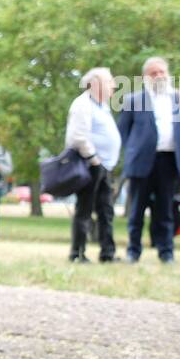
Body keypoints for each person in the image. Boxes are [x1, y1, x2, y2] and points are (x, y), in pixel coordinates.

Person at [117, 56, 180, 264]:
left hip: (169, 162)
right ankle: (133, 251)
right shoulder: (133, 100)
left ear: (168, 74)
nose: (159, 76)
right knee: (137, 211)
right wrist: (132, 153)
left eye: (162, 72)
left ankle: (166, 253)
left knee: (166, 211)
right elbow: (122, 133)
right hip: (141, 162)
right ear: (145, 77)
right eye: (153, 73)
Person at [65, 67, 121, 262]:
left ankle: (107, 253)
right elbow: (77, 136)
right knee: (84, 210)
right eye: (110, 82)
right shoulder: (83, 104)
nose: (114, 85)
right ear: (96, 84)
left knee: (106, 211)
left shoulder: (103, 106)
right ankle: (77, 253)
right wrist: (94, 158)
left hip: (104, 166)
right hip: (90, 164)